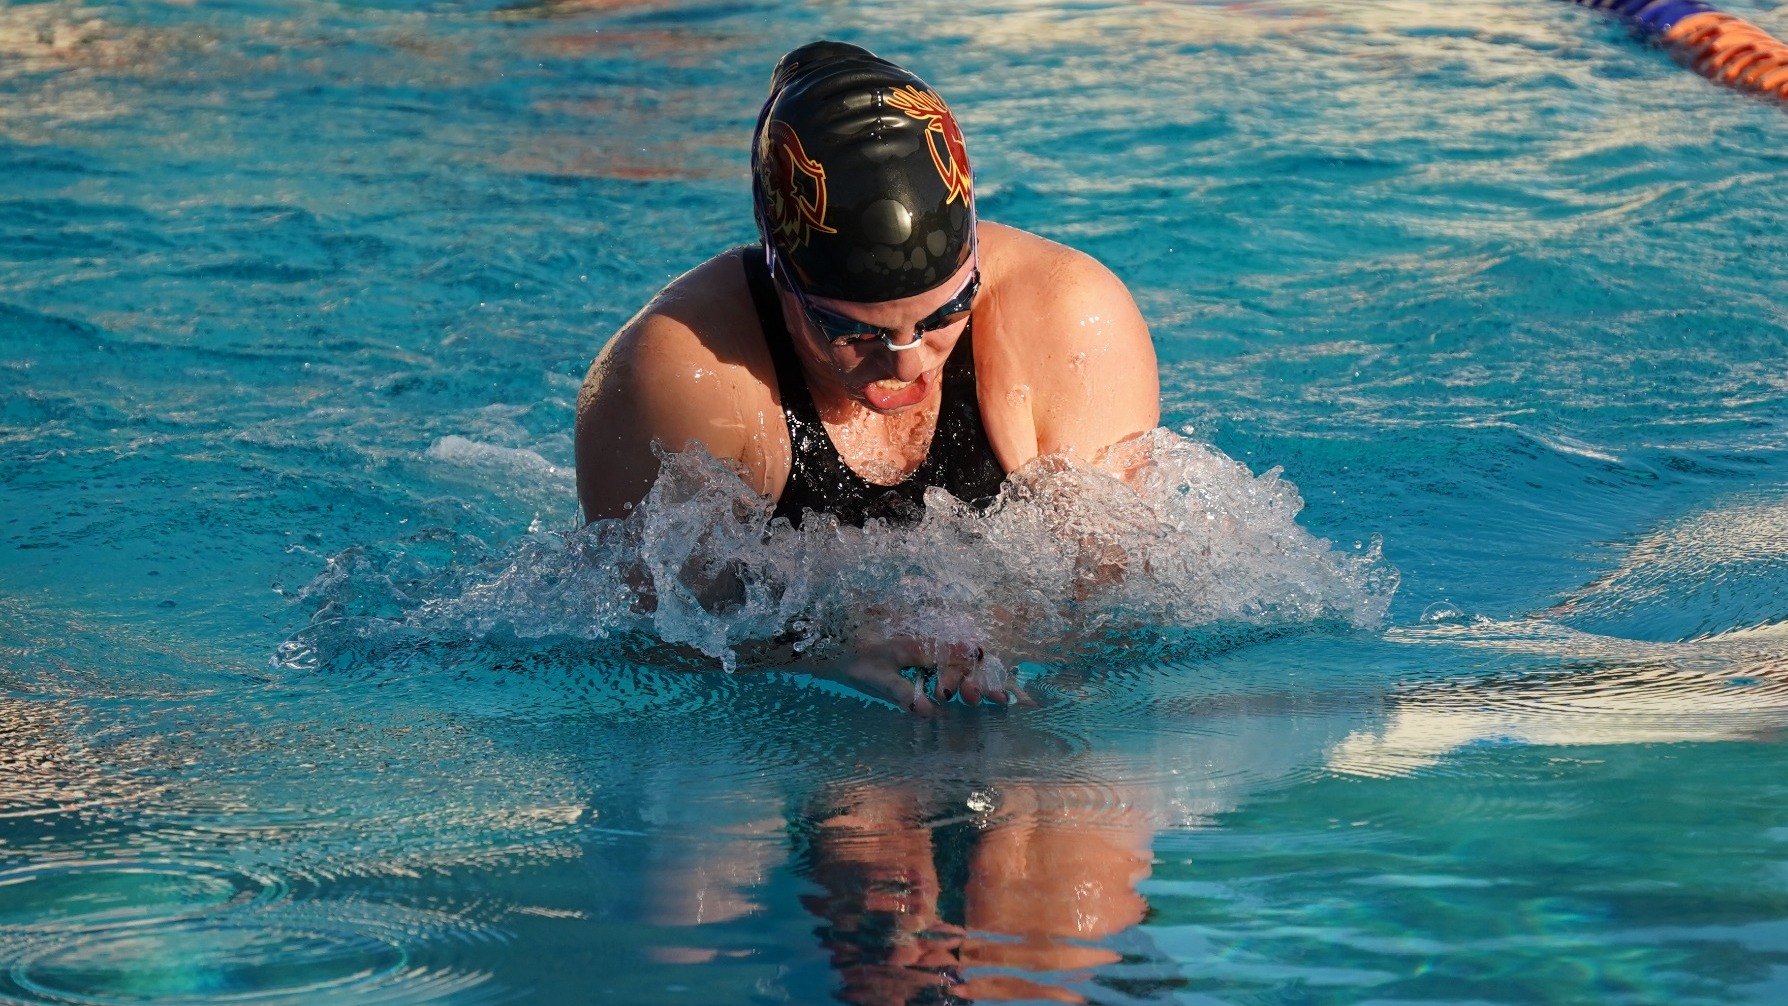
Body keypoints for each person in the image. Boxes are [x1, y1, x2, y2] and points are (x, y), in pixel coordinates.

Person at [575, 40, 1160, 709]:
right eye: (854, 331)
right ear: (780, 279)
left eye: (946, 312)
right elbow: (652, 640)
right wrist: (819, 653)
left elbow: (1116, 595)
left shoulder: (1070, 315)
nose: (908, 362)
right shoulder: (682, 373)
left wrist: (982, 638)